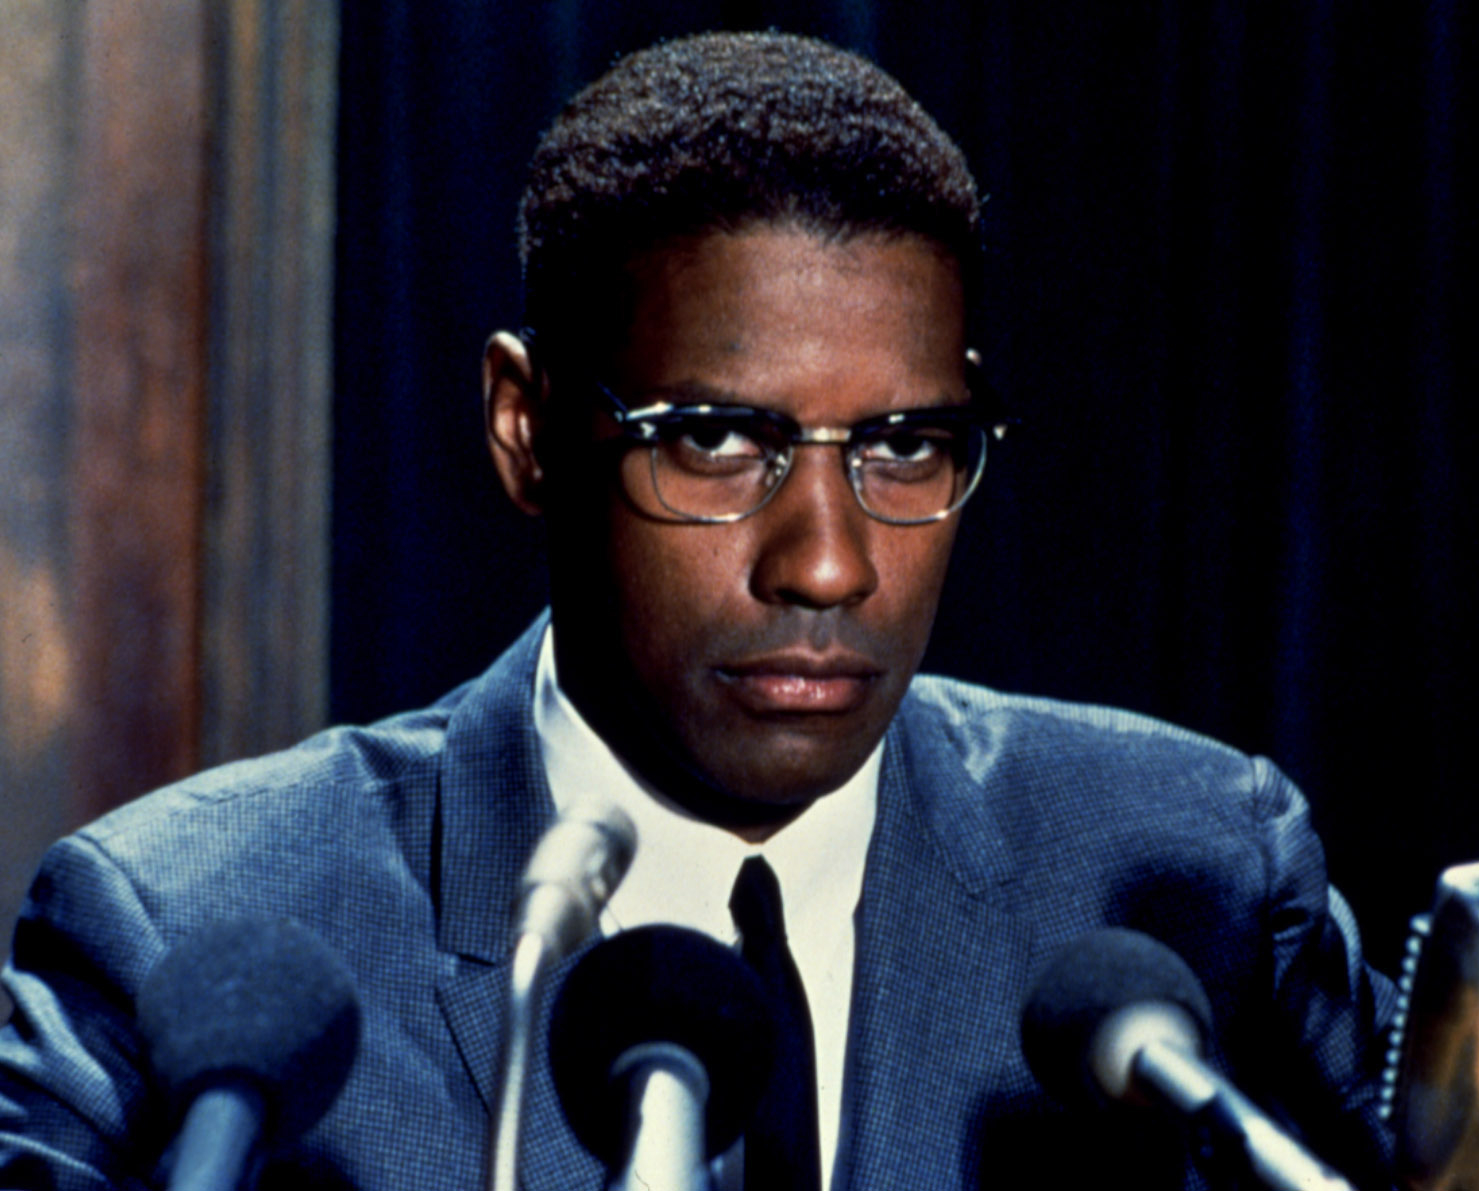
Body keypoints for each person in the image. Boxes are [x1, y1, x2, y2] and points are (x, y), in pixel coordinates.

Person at [0, 30, 1394, 1191]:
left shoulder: (1191, 883)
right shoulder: (184, 939)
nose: (831, 566)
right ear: (528, 429)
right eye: (718, 443)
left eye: (907, 446)